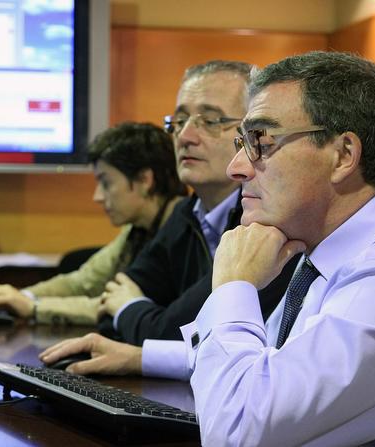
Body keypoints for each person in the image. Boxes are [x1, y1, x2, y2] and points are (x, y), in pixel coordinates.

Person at [41, 51, 375, 445]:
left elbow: (235, 431)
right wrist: (141, 357)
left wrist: (235, 285)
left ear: (343, 155)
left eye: (261, 142)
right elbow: (273, 359)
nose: (237, 168)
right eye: (242, 143)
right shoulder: (327, 247)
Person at [94, 60, 297, 344]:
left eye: (211, 121)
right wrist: (134, 314)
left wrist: (128, 309)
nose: (185, 137)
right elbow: (110, 305)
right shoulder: (186, 212)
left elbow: (181, 335)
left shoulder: (267, 220)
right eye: (179, 122)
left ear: (254, 133)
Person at [0, 122, 187, 326]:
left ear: (144, 180)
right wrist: (19, 296)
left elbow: (116, 306)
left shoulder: (181, 230)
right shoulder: (138, 227)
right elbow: (82, 282)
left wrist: (33, 307)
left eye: (106, 183)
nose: (97, 196)